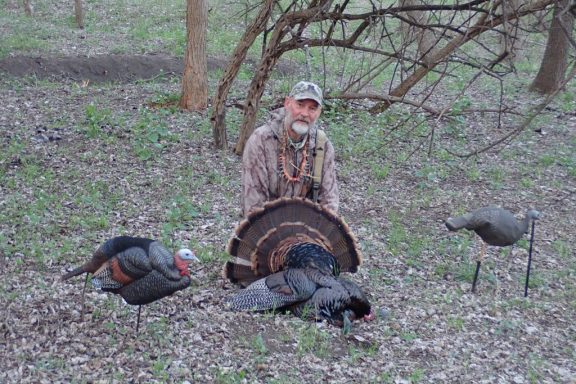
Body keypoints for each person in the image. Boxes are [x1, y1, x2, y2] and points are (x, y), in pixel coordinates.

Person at [241, 81, 339, 217]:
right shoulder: (261, 140)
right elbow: (254, 202)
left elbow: (329, 200)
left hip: (308, 229)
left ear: (319, 112)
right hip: (266, 227)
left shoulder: (322, 146)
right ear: (287, 103)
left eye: (312, 108)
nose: (305, 113)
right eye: (300, 105)